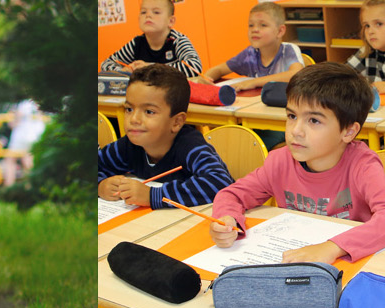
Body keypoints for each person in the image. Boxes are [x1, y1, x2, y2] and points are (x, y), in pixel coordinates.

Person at [208, 63, 385, 264]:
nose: (296, 130)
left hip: (358, 261)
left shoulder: (361, 165)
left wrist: (332, 247)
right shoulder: (280, 161)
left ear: (348, 131)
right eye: (292, 116)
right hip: (300, 254)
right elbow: (232, 195)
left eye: (314, 121)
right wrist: (228, 220)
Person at [99, 65, 235, 208]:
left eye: (149, 112)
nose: (134, 119)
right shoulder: (128, 146)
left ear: (176, 122)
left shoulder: (190, 147)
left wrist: (152, 196)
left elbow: (220, 183)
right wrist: (100, 185)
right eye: (129, 109)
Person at [193, 2, 305, 91]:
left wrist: (253, 82)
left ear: (280, 31)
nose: (255, 30)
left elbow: (295, 75)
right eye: (251, 25)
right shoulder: (249, 54)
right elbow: (219, 69)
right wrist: (206, 78)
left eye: (263, 25)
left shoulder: (289, 49)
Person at [101, 0, 202, 77]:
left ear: (171, 21)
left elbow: (194, 67)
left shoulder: (177, 40)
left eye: (156, 12)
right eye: (143, 12)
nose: (148, 15)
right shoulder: (137, 43)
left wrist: (150, 68)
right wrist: (125, 70)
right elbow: (106, 65)